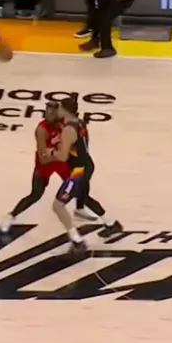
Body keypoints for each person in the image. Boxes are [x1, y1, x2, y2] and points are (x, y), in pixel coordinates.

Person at [0, 102, 96, 234]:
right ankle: (10, 216)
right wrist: (59, 154)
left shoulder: (64, 123)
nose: (48, 115)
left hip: (61, 161)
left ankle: (80, 208)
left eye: (51, 112)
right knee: (36, 194)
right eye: (46, 112)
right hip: (46, 163)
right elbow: (43, 158)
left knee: (78, 183)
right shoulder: (42, 129)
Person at [51, 98, 122, 253]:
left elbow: (62, 157)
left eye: (60, 108)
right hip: (87, 164)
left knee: (58, 206)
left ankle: (77, 241)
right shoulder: (80, 123)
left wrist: (51, 152)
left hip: (78, 171)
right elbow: (77, 145)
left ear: (64, 110)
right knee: (83, 196)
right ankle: (111, 224)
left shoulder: (68, 130)